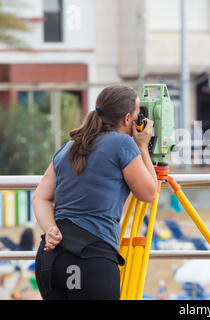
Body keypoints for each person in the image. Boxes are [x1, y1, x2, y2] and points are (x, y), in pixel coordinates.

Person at [32, 85, 158, 300]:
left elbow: (40, 197)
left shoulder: (69, 147)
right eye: (139, 115)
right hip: (90, 259)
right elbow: (149, 193)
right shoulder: (123, 143)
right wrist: (143, 147)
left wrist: (50, 228)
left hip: (49, 260)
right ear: (128, 119)